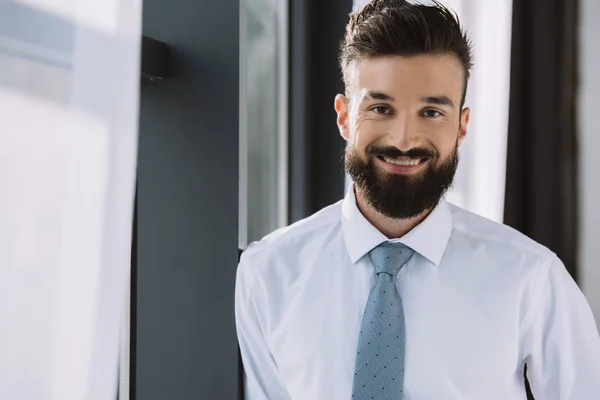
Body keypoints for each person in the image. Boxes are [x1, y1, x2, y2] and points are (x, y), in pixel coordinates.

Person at [234, 0, 600, 398]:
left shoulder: (533, 278)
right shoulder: (267, 273)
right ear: (343, 116)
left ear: (461, 126)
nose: (404, 140)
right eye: (380, 108)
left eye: (431, 112)